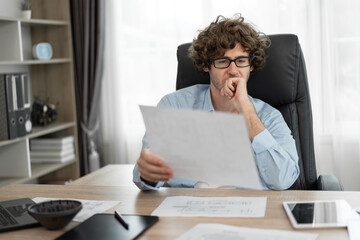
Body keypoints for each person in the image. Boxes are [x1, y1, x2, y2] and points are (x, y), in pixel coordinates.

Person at [133, 14, 299, 190]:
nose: (233, 70)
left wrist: (247, 111)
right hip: (188, 210)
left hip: (250, 212)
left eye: (241, 61)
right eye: (223, 61)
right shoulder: (174, 105)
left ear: (251, 65)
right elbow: (146, 177)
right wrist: (148, 173)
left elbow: (284, 180)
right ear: (206, 65)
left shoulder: (269, 117)